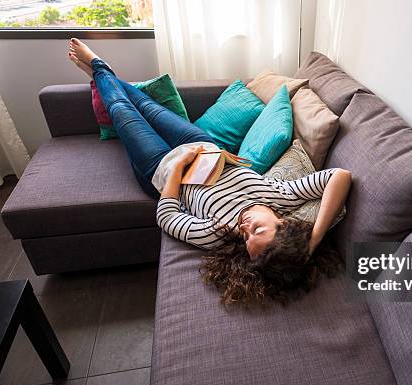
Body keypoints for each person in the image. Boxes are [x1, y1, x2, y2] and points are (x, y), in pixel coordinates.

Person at [68, 38, 352, 305]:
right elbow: (339, 176)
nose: (245, 230)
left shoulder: (218, 233)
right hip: (199, 146)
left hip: (162, 166)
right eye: (257, 230)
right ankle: (101, 75)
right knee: (145, 104)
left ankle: (98, 67)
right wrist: (313, 240)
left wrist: (178, 167)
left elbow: (167, 218)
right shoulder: (279, 195)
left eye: (247, 239)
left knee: (121, 109)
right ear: (282, 221)